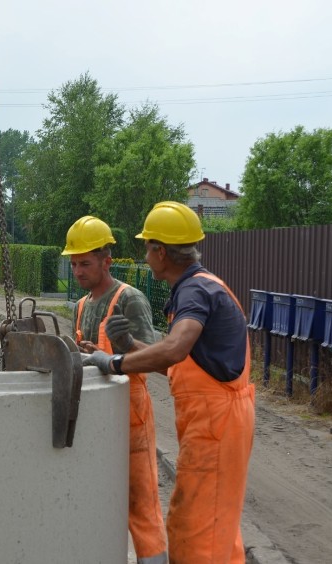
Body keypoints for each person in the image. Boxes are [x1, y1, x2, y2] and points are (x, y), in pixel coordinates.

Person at [84, 202, 256, 564]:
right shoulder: (204, 286)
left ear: (161, 252)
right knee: (217, 529)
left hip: (216, 424)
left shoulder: (194, 292)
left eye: (147, 248)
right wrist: (132, 346)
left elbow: (175, 349)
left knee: (195, 536)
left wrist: (115, 361)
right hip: (220, 421)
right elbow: (184, 366)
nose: (145, 256)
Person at [62, 216, 168, 564]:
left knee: (141, 504)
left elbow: (154, 361)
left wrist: (123, 347)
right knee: (96, 499)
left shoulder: (130, 299)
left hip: (129, 413)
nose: (78, 271)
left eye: (86, 263)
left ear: (107, 261)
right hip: (92, 416)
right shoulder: (80, 306)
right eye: (74, 263)